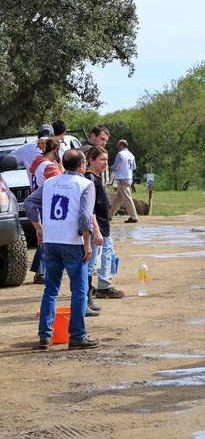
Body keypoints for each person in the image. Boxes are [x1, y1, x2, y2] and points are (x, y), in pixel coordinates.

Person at [24, 149, 100, 350]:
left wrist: (39, 229)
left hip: (51, 242)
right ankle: (77, 336)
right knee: (78, 291)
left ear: (64, 165)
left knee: (50, 290)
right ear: (82, 165)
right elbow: (85, 217)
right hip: (73, 243)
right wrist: (87, 243)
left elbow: (30, 202)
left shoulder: (50, 183)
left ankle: (45, 336)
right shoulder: (85, 184)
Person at [85, 146, 125, 301]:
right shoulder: (90, 179)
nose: (105, 163)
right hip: (97, 228)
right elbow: (90, 208)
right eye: (102, 159)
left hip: (102, 226)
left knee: (106, 255)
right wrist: (96, 229)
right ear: (91, 160)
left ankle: (102, 285)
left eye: (107, 160)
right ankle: (97, 289)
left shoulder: (96, 178)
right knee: (92, 260)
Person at [28, 138, 63, 284]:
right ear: (55, 151)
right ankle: (41, 272)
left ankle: (40, 270)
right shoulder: (49, 166)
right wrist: (60, 165)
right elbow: (61, 183)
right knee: (46, 240)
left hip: (39, 204)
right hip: (47, 205)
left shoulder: (38, 163)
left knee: (43, 239)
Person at [108, 139, 138, 223]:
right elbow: (134, 167)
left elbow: (116, 167)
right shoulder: (131, 155)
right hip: (128, 178)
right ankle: (109, 216)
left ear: (121, 145)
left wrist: (109, 168)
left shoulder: (120, 154)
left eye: (118, 144)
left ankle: (133, 217)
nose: (117, 146)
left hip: (122, 179)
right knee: (118, 199)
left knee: (127, 198)